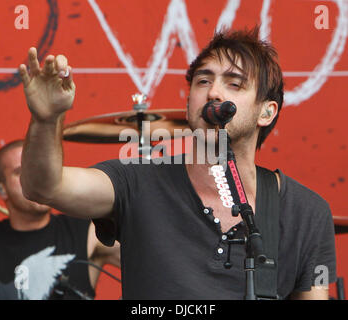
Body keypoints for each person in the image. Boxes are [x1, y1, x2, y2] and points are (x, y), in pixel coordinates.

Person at [18, 26, 336, 300]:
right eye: (202, 81)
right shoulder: (135, 181)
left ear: (266, 112)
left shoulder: (307, 213)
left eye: (234, 83)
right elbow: (44, 187)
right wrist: (47, 120)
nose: (213, 92)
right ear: (188, 104)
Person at [0, 140, 121, 300]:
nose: (35, 179)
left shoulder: (87, 232)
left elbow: (151, 261)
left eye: (40, 169)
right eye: (21, 172)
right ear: (2, 190)